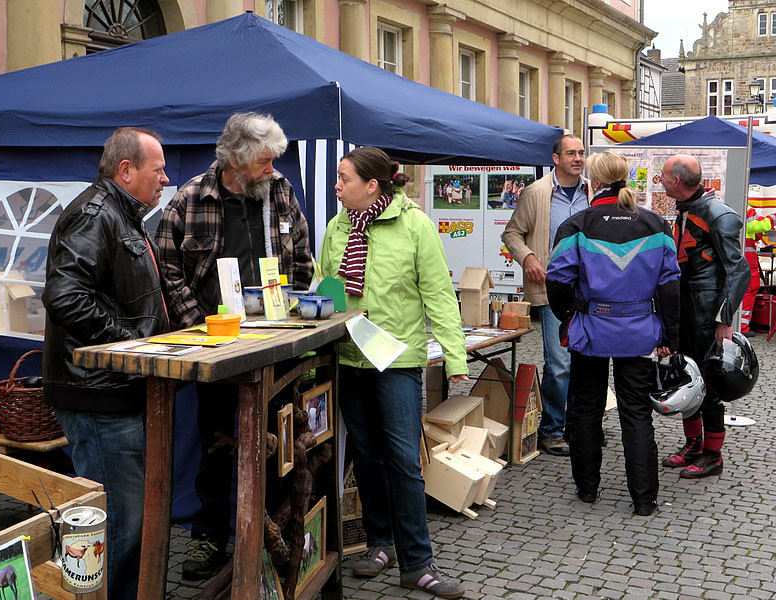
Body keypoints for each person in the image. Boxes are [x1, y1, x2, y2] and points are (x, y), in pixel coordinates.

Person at [155, 112, 313, 579]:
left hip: (274, 344)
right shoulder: (188, 200)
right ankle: (209, 539)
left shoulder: (279, 191)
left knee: (279, 442)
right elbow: (168, 270)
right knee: (217, 445)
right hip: (217, 346)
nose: (272, 169)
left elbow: (301, 252)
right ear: (236, 160)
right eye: (264, 161)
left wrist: (291, 313)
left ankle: (275, 536)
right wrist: (200, 332)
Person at [320, 147, 468, 598]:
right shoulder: (338, 225)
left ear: (372, 185)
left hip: (397, 361)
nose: (336, 185)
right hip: (348, 357)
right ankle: (379, 543)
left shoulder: (414, 224)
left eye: (343, 178)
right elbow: (325, 285)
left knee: (404, 462)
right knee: (366, 456)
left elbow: (439, 295)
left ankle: (418, 562)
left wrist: (456, 358)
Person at [42, 127, 170, 600]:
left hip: (115, 390)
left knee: (127, 518)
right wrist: (129, 344)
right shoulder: (96, 213)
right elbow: (65, 297)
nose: (164, 178)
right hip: (97, 393)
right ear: (126, 170)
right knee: (117, 520)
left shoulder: (123, 213)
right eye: (157, 170)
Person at [546, 151, 680, 517]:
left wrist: (568, 316)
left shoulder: (577, 224)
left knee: (586, 408)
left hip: (590, 329)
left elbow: (556, 280)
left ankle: (587, 490)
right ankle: (644, 500)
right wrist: (671, 334)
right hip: (639, 330)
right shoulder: (655, 224)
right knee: (636, 413)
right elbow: (669, 286)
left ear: (594, 183)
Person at [502, 134, 592, 456]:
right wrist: (528, 258)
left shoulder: (592, 192)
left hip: (590, 291)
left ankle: (578, 424)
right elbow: (511, 233)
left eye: (581, 153)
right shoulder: (536, 192)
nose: (578, 158)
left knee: (587, 361)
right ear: (556, 158)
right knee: (559, 362)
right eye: (571, 153)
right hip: (553, 289)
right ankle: (552, 428)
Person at [659, 154, 749, 478]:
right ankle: (693, 444)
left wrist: (724, 319)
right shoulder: (686, 209)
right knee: (687, 376)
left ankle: (713, 455)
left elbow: (739, 270)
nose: (660, 180)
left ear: (677, 182)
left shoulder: (718, 213)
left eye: (664, 176)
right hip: (685, 305)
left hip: (706, 310)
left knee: (709, 382)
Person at [741, 206, 775, 334]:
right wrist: (773, 218)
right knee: (750, 288)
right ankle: (742, 326)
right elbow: (761, 226)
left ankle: (740, 324)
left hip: (737, 257)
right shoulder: (746, 209)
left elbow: (752, 231)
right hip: (747, 259)